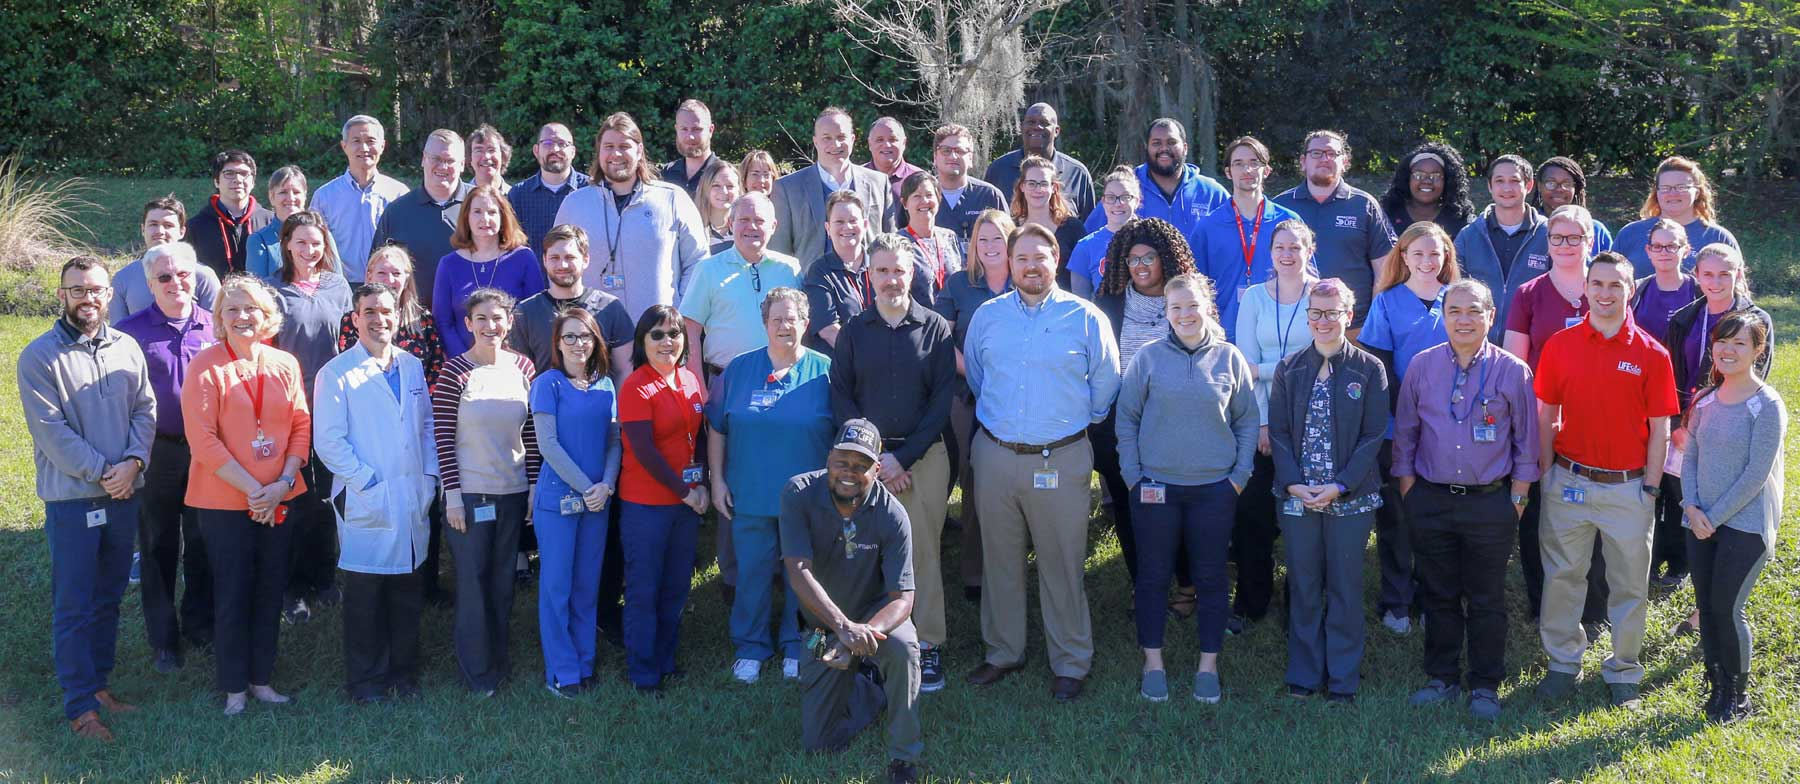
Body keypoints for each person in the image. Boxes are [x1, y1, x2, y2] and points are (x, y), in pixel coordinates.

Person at [962, 223, 1120, 702]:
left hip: (1062, 456)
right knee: (1000, 559)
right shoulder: (987, 317)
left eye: (1040, 256)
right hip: (995, 456)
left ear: (1056, 259)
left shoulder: (1086, 317)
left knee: (1062, 561)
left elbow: (1106, 384)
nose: (1031, 266)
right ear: (1009, 263)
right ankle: (1002, 652)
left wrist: (1070, 423)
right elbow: (977, 376)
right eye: (1022, 257)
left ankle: (1070, 660)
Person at [1531, 251, 1679, 710]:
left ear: (1630, 290)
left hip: (1628, 488)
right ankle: (1562, 664)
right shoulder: (1560, 345)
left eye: (1616, 285)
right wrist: (1544, 472)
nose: (1605, 293)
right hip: (1568, 481)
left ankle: (1623, 668)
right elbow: (1546, 413)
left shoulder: (1652, 353)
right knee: (1562, 577)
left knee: (1630, 583)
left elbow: (1661, 428)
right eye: (1597, 284)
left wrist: (1651, 486)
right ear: (1586, 288)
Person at [20, 257, 156, 739]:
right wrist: (106, 474)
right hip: (74, 500)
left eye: (96, 290)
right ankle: (80, 706)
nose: (88, 298)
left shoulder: (126, 347)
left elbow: (145, 408)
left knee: (109, 598)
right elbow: (52, 433)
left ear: (109, 294)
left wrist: (134, 463)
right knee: (75, 603)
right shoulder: (38, 357)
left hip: (124, 494)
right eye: (77, 290)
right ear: (62, 295)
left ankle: (99, 687)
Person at [1392, 278, 1538, 721]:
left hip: (1490, 503)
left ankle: (1485, 685)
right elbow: (1406, 435)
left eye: (1473, 310)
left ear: (1490, 317)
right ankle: (1442, 677)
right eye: (1454, 311)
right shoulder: (1421, 366)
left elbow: (1526, 443)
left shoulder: (1513, 370)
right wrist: (1409, 490)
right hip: (1431, 498)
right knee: (1437, 591)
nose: (1463, 319)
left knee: (1487, 596)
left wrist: (1516, 498)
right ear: (1443, 316)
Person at [1115, 272, 1257, 704]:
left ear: (1207, 307)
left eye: (1192, 305)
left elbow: (1247, 420)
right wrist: (1134, 476)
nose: (1184, 315)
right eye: (1175, 308)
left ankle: (1207, 665)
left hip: (1214, 488)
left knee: (1212, 576)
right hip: (1155, 487)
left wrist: (1238, 477)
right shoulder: (1148, 358)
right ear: (1166, 313)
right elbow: (1127, 419)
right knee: (1154, 576)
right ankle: (1153, 662)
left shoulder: (1230, 358)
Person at [830, 237, 955, 692]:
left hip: (922, 458)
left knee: (921, 554)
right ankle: (868, 644)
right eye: (881, 271)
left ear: (911, 274)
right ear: (871, 276)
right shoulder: (854, 331)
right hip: (865, 466)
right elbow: (841, 394)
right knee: (865, 555)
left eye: (898, 271)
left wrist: (901, 458)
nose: (890, 279)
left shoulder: (936, 328)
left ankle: (930, 643)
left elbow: (942, 401)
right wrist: (872, 458)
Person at [182, 274, 311, 716]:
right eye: (231, 309)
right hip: (225, 501)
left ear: (266, 315)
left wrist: (281, 485)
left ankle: (262, 680)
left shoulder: (285, 364)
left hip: (279, 496)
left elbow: (300, 425)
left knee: (271, 588)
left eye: (250, 308)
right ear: (219, 317)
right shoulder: (206, 365)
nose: (241, 317)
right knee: (234, 589)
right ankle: (234, 686)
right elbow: (202, 440)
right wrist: (257, 490)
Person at [311, 283, 437, 704]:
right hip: (368, 497)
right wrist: (366, 483)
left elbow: (425, 430)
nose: (379, 319)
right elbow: (328, 441)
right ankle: (365, 683)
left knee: (406, 592)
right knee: (366, 597)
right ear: (355, 318)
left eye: (386, 311)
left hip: (411, 496)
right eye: (369, 312)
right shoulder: (337, 373)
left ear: (397, 316)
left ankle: (404, 675)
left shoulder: (413, 366)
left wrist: (431, 479)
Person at [780, 419, 922, 784]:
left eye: (861, 466)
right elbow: (798, 570)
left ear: (877, 469)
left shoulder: (893, 515)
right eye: (842, 462)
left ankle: (904, 759)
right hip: (819, 629)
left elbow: (903, 599)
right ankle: (871, 689)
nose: (849, 473)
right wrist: (842, 630)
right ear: (828, 458)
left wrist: (864, 634)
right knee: (819, 743)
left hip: (877, 624)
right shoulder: (798, 493)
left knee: (906, 650)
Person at [1267, 278, 1387, 703]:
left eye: (1331, 313)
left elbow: (1373, 435)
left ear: (1347, 316)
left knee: (1344, 585)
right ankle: (1304, 671)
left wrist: (1341, 485)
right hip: (1297, 495)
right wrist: (1293, 483)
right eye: (1315, 313)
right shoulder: (1289, 368)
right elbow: (1278, 433)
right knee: (1302, 583)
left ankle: (1342, 677)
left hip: (1349, 498)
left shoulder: (1369, 369)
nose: (1322, 321)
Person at [708, 288, 833, 683]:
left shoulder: (826, 371)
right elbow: (716, 428)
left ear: (805, 324)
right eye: (776, 318)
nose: (784, 325)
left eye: (792, 318)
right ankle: (751, 647)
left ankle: (797, 645)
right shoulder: (739, 370)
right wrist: (717, 479)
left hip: (808, 499)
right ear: (764, 324)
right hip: (750, 491)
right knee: (752, 574)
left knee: (804, 575)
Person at [1501, 206, 1609, 630]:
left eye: (1574, 237)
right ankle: (1541, 602)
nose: (1566, 246)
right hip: (1541, 422)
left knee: (1593, 518)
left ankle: (1594, 610)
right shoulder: (1529, 293)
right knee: (1540, 515)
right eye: (1557, 238)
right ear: (1547, 243)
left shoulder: (1606, 288)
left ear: (1590, 241)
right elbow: (1515, 364)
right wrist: (1531, 420)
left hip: (1597, 423)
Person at [431, 288, 539, 696]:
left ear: (509, 322)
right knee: (474, 584)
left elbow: (530, 433)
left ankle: (499, 661)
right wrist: (453, 496)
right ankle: (478, 674)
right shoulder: (455, 371)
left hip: (513, 493)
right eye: (481, 319)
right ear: (468, 324)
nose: (490, 326)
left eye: (498, 318)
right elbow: (442, 438)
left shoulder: (525, 368)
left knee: (503, 581)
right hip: (471, 497)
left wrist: (531, 488)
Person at [114, 243, 215, 673]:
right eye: (165, 277)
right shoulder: (130, 333)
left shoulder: (215, 325)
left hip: (207, 452)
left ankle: (198, 624)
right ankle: (164, 639)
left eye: (183, 275)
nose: (176, 283)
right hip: (157, 451)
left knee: (202, 539)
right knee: (157, 544)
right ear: (150, 283)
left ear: (196, 276)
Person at [1681, 311, 1784, 724]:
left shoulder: (1766, 405)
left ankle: (1738, 696)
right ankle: (1716, 682)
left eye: (1740, 343)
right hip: (1700, 520)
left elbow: (1755, 475)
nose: (1728, 350)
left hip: (1744, 526)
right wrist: (1691, 507)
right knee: (1706, 606)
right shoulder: (1706, 400)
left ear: (1758, 351)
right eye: (1723, 341)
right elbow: (1690, 457)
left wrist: (1713, 516)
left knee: (1727, 607)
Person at [1358, 221, 1462, 634]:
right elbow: (1380, 367)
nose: (1425, 261)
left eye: (1434, 254)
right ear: (1402, 257)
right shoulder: (1387, 302)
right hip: (1396, 428)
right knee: (1398, 519)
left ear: (1445, 258)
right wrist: (1414, 414)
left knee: (1442, 518)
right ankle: (1397, 601)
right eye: (1416, 254)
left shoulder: (1458, 300)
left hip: (1452, 429)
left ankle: (1436, 597)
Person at [1093, 218, 1200, 594]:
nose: (1140, 266)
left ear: (1166, 259)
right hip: (1121, 426)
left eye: (1148, 257)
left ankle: (1186, 584)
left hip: (1176, 425)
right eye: (1133, 259)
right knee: (1129, 506)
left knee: (1179, 509)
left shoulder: (1186, 303)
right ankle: (1145, 584)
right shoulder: (1107, 303)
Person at [1664, 244, 1774, 606]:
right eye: (1707, 274)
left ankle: (1719, 593)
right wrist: (1680, 420)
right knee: (1685, 491)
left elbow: (1755, 379)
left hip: (1730, 425)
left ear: (1739, 273)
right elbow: (1675, 371)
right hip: (1687, 422)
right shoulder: (1685, 316)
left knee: (1727, 496)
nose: (1715, 281)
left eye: (1724, 273)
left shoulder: (1755, 320)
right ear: (1696, 276)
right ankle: (1686, 569)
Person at [1230, 219, 1319, 631]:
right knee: (1253, 518)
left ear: (1309, 250)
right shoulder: (1252, 299)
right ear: (1270, 253)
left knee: (1304, 520)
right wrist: (1263, 424)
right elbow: (1244, 370)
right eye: (1280, 247)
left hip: (1313, 422)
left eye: (1295, 247)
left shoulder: (1322, 295)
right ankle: (1251, 603)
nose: (1287, 254)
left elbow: (1321, 361)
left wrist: (1268, 369)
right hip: (1262, 425)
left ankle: (1299, 606)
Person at [529, 307, 622, 696]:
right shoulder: (547, 384)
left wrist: (607, 486)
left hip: (598, 502)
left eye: (584, 336)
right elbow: (547, 445)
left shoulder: (606, 385)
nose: (578, 344)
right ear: (557, 343)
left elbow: (614, 441)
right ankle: (562, 671)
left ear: (595, 341)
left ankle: (585, 663)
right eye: (569, 336)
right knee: (557, 587)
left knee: (587, 585)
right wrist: (589, 486)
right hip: (559, 501)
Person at [617, 304, 709, 693]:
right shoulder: (635, 386)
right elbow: (644, 452)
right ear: (642, 341)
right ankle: (643, 670)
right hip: (646, 505)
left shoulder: (689, 379)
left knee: (675, 586)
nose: (667, 342)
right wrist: (686, 492)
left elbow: (700, 436)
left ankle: (666, 659)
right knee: (644, 588)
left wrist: (701, 482)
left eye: (674, 333)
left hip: (686, 503)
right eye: (657, 334)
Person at [269, 210, 353, 624]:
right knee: (296, 499)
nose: (309, 249)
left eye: (316, 242)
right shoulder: (273, 290)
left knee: (326, 497)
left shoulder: (338, 286)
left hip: (334, 406)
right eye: (300, 242)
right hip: (291, 408)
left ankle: (324, 579)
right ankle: (293, 588)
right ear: (287, 244)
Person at [553, 112, 710, 320]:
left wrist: (678, 315)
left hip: (657, 335)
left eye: (624, 146)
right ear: (599, 152)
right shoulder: (573, 204)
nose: (616, 154)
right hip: (592, 335)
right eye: (609, 147)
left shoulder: (672, 200)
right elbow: (556, 265)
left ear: (640, 150)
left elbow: (698, 262)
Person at [932, 209, 1014, 602]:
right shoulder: (960, 285)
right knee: (975, 480)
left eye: (997, 238)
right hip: (969, 395)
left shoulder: (1027, 281)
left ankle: (1018, 560)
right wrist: (976, 373)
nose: (990, 247)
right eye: (982, 240)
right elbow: (939, 340)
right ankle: (975, 573)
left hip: (1023, 396)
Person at [1628, 218, 1699, 590]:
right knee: (1648, 479)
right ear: (1648, 251)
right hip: (1641, 400)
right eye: (1658, 246)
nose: (1664, 253)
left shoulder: (1698, 291)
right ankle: (1649, 556)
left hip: (1686, 402)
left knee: (1679, 484)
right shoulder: (1637, 292)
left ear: (1685, 250)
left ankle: (1679, 561)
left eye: (1672, 246)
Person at [1272, 130, 1397, 328]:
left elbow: (1384, 268)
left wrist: (1375, 322)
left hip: (1353, 326)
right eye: (1316, 153)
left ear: (1345, 162)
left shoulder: (1364, 205)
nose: (1324, 159)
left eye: (1332, 154)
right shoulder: (1281, 206)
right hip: (1292, 325)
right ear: (1303, 161)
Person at [1189, 136, 1301, 341]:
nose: (1247, 170)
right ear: (1228, 172)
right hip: (1224, 335)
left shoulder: (1289, 222)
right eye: (1238, 164)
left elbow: (1308, 279)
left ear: (1266, 170)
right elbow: (1194, 285)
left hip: (1279, 334)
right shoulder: (1207, 227)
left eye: (1254, 163)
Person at [681, 193, 803, 377]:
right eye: (744, 219)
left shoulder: (790, 269)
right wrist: (697, 385)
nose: (751, 226)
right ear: (731, 224)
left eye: (759, 220)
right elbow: (689, 330)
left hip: (783, 378)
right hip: (726, 380)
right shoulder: (707, 270)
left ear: (773, 226)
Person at [509, 224, 634, 383]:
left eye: (570, 257)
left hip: (598, 405)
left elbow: (624, 370)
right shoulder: (525, 313)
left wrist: (618, 407)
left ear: (585, 260)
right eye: (555, 258)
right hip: (545, 406)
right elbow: (518, 375)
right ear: (545, 260)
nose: (563, 265)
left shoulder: (610, 308)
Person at [771, 107, 895, 266]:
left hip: (868, 286)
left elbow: (889, 244)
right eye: (826, 138)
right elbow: (779, 253)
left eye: (841, 137)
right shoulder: (787, 188)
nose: (835, 144)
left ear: (852, 139)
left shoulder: (879, 183)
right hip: (809, 286)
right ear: (815, 142)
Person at [433, 184, 546, 357]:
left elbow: (536, 315)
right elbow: (443, 322)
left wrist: (515, 358)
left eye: (492, 212)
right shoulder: (449, 264)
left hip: (514, 362)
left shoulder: (523, 258)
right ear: (466, 217)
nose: (484, 219)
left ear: (503, 217)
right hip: (463, 366)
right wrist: (466, 361)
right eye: (477, 211)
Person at [372, 128, 472, 307]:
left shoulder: (482, 206)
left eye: (450, 160)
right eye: (436, 159)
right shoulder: (397, 211)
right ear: (424, 159)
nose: (442, 166)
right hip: (413, 322)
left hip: (471, 320)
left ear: (462, 164)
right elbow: (375, 273)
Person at [1456, 155, 1551, 342]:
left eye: (1515, 181)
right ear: (1490, 186)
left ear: (1529, 185)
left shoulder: (1549, 234)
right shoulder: (1469, 236)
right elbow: (1451, 290)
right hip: (1478, 346)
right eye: (1499, 181)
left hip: (1533, 345)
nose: (1507, 188)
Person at [1082, 118, 1227, 238]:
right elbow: (1089, 239)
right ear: (1147, 147)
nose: (1164, 148)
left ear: (1185, 148)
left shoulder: (1211, 193)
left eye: (1171, 142)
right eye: (1156, 143)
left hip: (1196, 273)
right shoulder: (1124, 188)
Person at [313, 115, 411, 281]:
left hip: (387, 286)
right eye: (356, 141)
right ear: (344, 146)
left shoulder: (399, 194)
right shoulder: (324, 197)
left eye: (371, 141)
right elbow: (316, 245)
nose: (364, 148)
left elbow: (408, 246)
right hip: (341, 287)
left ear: (382, 146)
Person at [337, 244, 446, 387]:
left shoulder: (423, 320)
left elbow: (436, 366)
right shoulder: (353, 320)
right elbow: (348, 365)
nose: (389, 280)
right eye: (381, 273)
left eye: (396, 273)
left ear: (406, 280)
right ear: (370, 277)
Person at [1613, 156, 1739, 277]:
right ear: (1656, 192)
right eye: (1665, 188)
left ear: (1697, 192)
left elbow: (1738, 290)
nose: (1673, 193)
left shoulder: (1718, 237)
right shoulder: (1630, 234)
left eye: (1682, 187)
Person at [110, 195, 221, 324]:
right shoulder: (124, 278)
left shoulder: (203, 276)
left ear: (182, 232)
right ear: (142, 229)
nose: (160, 231)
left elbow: (216, 330)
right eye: (153, 224)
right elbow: (117, 335)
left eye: (168, 225)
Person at [985, 103, 1097, 222]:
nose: (1037, 127)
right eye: (1031, 122)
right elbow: (985, 222)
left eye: (1044, 123)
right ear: (1022, 127)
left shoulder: (1077, 173)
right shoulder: (999, 169)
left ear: (1057, 131)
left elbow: (1089, 228)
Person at [800, 191, 872, 356]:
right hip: (843, 365)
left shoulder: (880, 264)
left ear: (865, 224)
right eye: (839, 221)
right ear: (828, 228)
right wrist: (866, 357)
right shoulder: (819, 272)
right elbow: (828, 330)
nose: (847, 227)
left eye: (853, 221)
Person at [508, 122, 592, 257]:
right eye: (547, 143)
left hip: (583, 278)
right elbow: (511, 246)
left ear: (573, 152)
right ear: (536, 150)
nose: (555, 149)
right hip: (534, 278)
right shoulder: (518, 195)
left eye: (562, 143)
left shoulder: (591, 190)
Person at [189, 150, 276, 277]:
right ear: (216, 181)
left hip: (263, 295)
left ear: (253, 182)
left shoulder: (271, 222)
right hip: (216, 296)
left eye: (244, 173)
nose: (238, 179)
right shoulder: (196, 227)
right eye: (229, 173)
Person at [247, 166, 340, 283]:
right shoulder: (260, 240)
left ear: (305, 196)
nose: (291, 198)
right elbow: (255, 289)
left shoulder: (322, 234)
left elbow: (337, 282)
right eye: (283, 192)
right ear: (271, 197)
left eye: (296, 192)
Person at [1008, 155, 1086, 289]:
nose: (1038, 190)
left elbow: (1085, 272)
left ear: (1054, 187)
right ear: (1022, 186)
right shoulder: (1010, 228)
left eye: (1043, 183)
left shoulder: (1073, 228)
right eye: (1032, 183)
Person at [928, 124, 1007, 246]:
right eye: (946, 151)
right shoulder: (922, 196)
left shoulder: (989, 195)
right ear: (935, 157)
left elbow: (1008, 241)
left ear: (970, 158)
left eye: (959, 151)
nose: (953, 156)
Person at [1378, 142, 1477, 238]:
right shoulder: (1387, 215)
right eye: (1419, 175)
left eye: (1435, 176)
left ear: (1447, 180)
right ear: (1408, 178)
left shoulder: (1460, 220)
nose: (1426, 181)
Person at [1069, 167, 1141, 299]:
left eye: (1125, 197)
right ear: (1103, 202)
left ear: (1137, 201)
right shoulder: (1085, 247)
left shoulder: (1152, 238)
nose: (1118, 204)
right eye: (1111, 197)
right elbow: (1081, 304)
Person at [896, 172, 964, 307]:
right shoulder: (897, 243)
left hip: (953, 322)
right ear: (904, 203)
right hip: (918, 323)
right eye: (917, 196)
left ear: (939, 198)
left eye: (929, 195)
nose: (924, 201)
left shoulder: (950, 237)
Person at [1530, 156, 1613, 253]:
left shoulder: (1596, 230)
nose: (1559, 189)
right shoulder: (1529, 227)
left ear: (1575, 188)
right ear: (1539, 186)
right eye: (1551, 183)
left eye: (1567, 184)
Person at [662, 99, 721, 199]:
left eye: (697, 129)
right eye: (684, 129)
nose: (690, 136)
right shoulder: (665, 174)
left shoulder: (723, 175)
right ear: (676, 129)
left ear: (711, 130)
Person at [866, 116, 924, 199]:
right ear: (870, 144)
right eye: (880, 140)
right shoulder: (856, 178)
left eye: (892, 139)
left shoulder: (920, 179)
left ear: (903, 143)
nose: (886, 145)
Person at [696, 160, 743, 249]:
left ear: (739, 190)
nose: (724, 192)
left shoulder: (747, 228)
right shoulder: (692, 228)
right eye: (716, 185)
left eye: (730, 186)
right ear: (705, 188)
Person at [468, 124, 513, 195]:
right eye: (479, 151)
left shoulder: (516, 197)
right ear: (470, 158)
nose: (486, 156)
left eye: (491, 150)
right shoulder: (460, 200)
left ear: (503, 156)